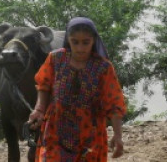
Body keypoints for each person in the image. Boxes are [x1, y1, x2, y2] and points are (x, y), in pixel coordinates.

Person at [27, 17, 125, 161]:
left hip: (90, 135)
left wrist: (118, 136)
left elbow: (114, 103)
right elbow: (44, 85)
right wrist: (39, 109)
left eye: (86, 42)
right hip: (55, 130)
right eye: (75, 42)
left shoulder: (103, 68)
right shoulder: (56, 59)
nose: (80, 48)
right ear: (68, 40)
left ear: (93, 41)